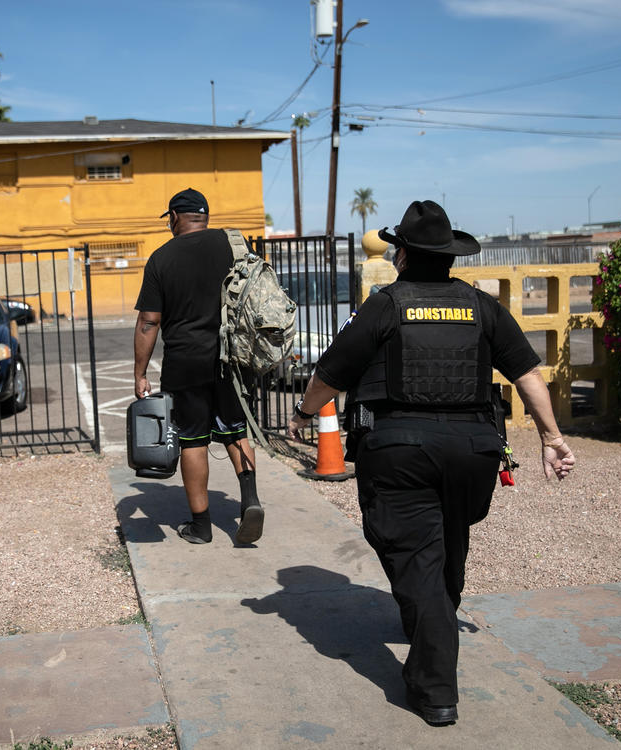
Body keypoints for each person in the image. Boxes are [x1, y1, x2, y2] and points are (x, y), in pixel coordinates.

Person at [287, 200, 575, 726]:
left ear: (401, 255)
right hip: (473, 451)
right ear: (448, 257)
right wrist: (551, 437)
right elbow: (528, 372)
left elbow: (332, 372)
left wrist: (304, 413)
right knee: (447, 539)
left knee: (414, 555)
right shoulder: (479, 305)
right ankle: (436, 618)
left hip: (400, 452)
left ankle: (435, 687)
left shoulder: (386, 304)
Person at [134, 188, 264, 546]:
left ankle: (201, 525)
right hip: (232, 358)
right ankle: (250, 499)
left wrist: (140, 373)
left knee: (192, 440)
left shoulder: (162, 258)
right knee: (237, 430)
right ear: (204, 216)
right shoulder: (234, 246)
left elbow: (149, 321)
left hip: (185, 361)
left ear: (174, 216)